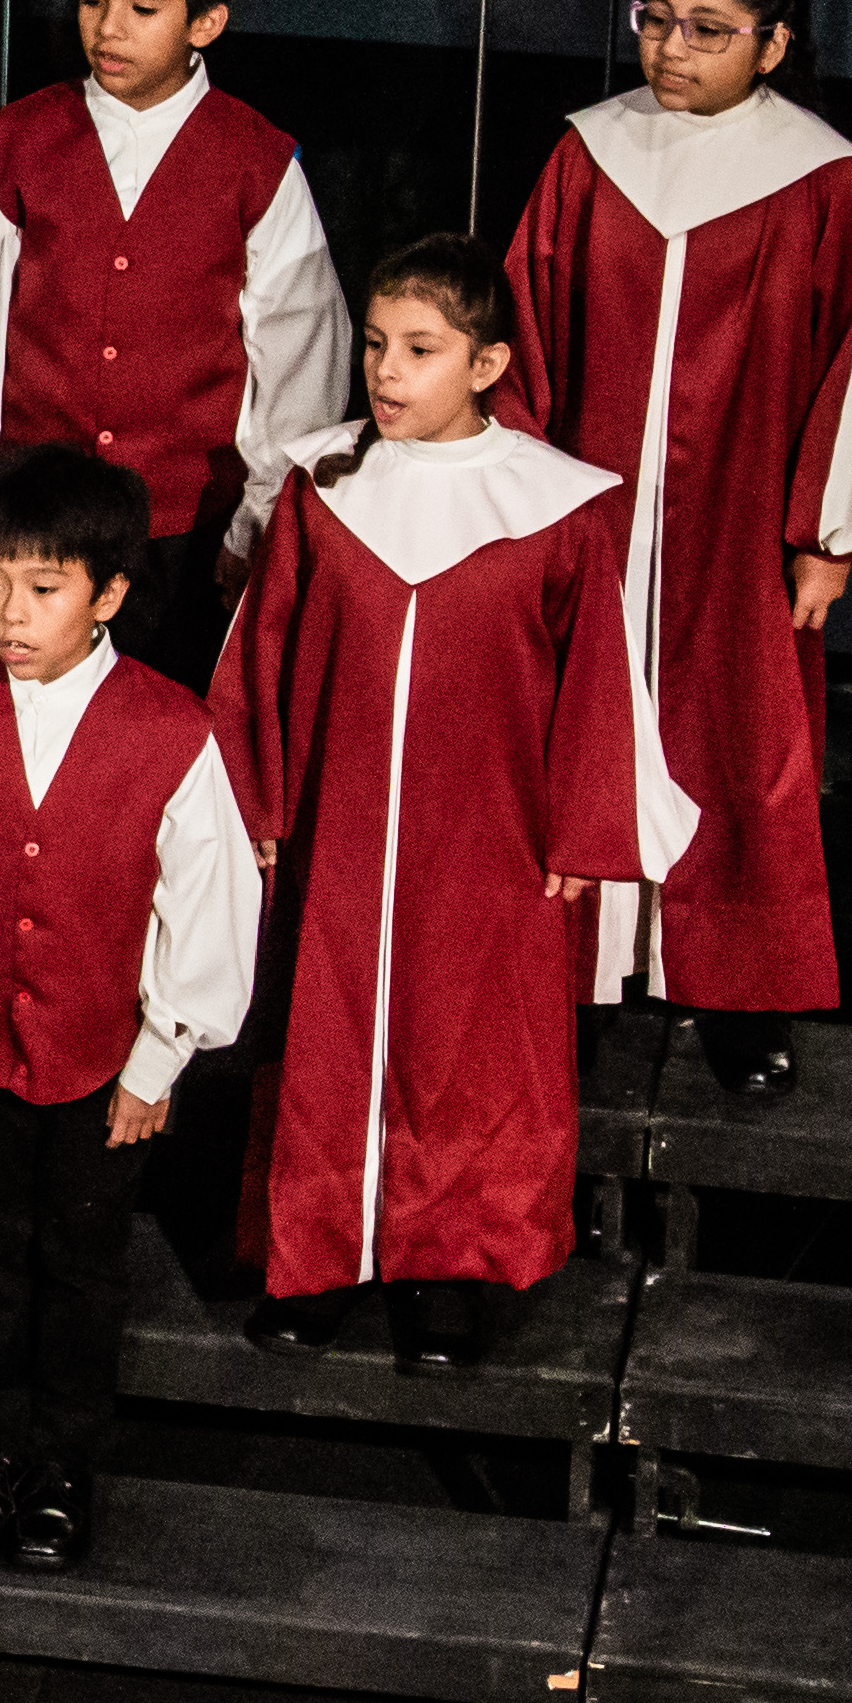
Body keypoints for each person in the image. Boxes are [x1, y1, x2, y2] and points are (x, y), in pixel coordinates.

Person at [218, 233, 692, 1371]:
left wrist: (584, 827)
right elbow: (262, 650)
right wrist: (260, 799)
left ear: (485, 364)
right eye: (377, 346)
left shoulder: (555, 508)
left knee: (470, 1040)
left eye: (420, 351)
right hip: (338, 828)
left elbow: (597, 680)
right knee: (327, 1033)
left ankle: (447, 1267)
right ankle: (319, 1255)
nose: (385, 372)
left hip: (490, 834)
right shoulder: (323, 489)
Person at [494, 0, 852, 1097]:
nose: (673, 51)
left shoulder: (821, 182)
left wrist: (828, 536)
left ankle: (735, 992)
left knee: (739, 746)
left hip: (735, 526)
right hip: (595, 509)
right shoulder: (590, 157)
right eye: (658, 21)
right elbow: (525, 329)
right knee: (574, 733)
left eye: (710, 31)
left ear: (772, 45)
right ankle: (570, 980)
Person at [0, 444, 262, 1574]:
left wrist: (158, 1060)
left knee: (81, 1265)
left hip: (101, 1061)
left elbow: (207, 901)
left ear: (109, 593)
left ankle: (63, 1469)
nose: (11, 615)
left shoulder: (171, 731)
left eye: (43, 589)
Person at [0, 0, 347, 684]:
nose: (108, 29)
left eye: (143, 8)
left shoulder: (257, 161)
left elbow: (297, 358)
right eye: (92, 0)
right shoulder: (23, 139)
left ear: (206, 24)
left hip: (182, 532)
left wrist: (254, 521)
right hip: (33, 520)